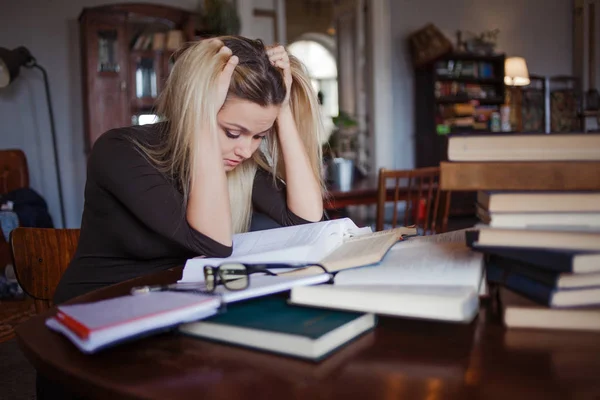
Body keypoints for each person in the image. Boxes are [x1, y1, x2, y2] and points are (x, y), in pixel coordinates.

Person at [53, 36, 327, 305]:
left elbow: (307, 219)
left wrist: (284, 109)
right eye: (233, 133)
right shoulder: (119, 150)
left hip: (173, 304)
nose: (246, 151)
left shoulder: (237, 163)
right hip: (97, 307)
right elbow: (214, 244)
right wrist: (203, 116)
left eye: (259, 136)